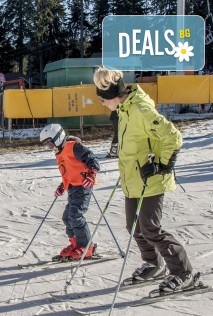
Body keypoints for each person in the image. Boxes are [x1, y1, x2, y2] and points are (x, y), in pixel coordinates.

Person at [94, 66, 194, 293]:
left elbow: (173, 137)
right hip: (133, 179)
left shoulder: (139, 109)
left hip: (151, 178)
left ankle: (183, 273)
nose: (102, 104)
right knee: (134, 227)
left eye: (102, 100)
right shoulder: (123, 111)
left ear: (112, 96)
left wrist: (162, 165)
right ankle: (154, 264)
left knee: (150, 228)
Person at [39, 123, 100, 261]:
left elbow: (92, 159)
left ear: (58, 137)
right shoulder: (59, 153)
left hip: (83, 186)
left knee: (75, 215)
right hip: (72, 188)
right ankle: (75, 244)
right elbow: (68, 172)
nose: (49, 147)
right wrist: (62, 185)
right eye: (47, 145)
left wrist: (92, 174)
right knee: (67, 217)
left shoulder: (73, 146)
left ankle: (86, 247)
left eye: (49, 143)